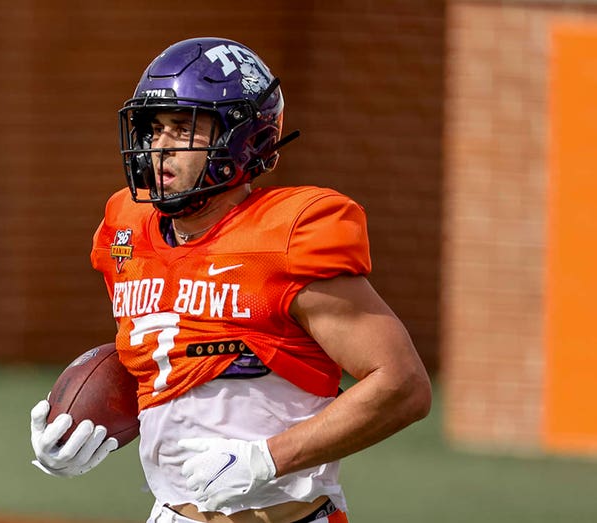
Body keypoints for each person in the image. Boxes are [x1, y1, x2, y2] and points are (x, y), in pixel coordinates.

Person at [29, 37, 432, 523]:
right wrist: (82, 429)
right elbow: (168, 357)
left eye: (183, 128)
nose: (160, 146)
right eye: (153, 129)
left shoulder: (288, 235)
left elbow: (403, 385)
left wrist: (268, 459)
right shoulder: (126, 228)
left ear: (244, 140)